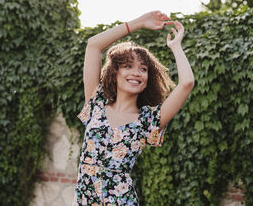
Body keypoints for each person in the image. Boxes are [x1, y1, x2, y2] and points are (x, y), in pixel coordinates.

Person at [73, 11, 195, 206]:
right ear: (114, 73)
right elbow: (94, 45)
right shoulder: (96, 104)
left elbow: (187, 83)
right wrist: (139, 23)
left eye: (143, 69)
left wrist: (175, 46)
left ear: (148, 80)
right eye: (128, 66)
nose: (136, 73)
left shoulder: (148, 120)